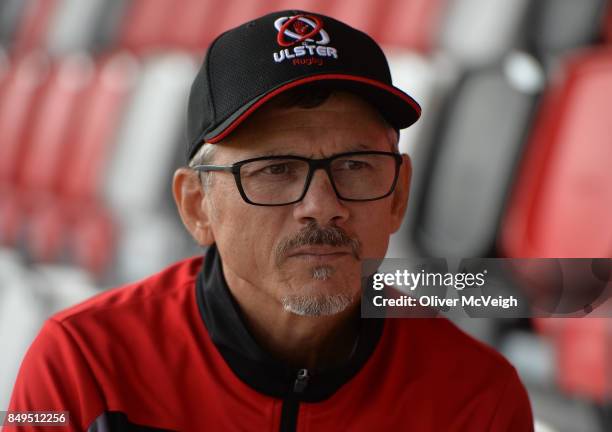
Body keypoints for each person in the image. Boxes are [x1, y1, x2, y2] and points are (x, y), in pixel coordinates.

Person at [7, 10, 534, 431]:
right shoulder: (85, 365)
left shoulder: (475, 397)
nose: (322, 204)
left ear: (398, 195)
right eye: (276, 170)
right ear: (197, 205)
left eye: (355, 166)